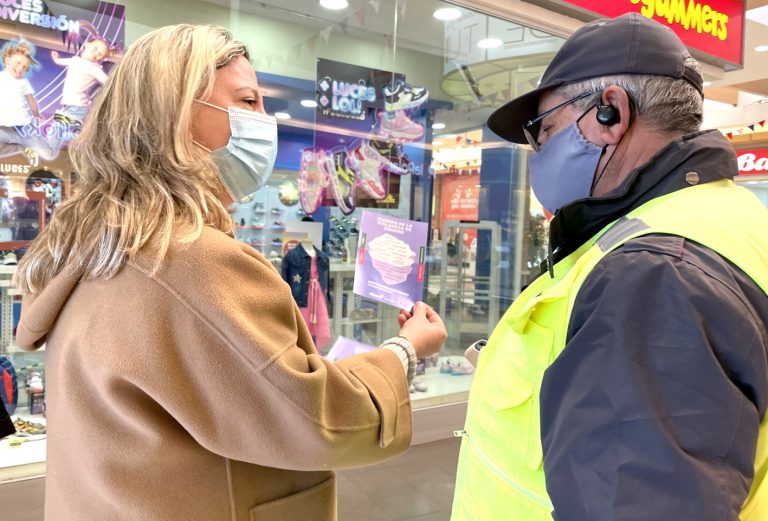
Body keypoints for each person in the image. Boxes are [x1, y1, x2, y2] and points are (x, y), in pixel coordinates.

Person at [13, 24, 447, 521]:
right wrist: (405, 350)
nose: (266, 120)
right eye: (247, 101)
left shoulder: (92, 246)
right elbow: (318, 419)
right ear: (175, 114)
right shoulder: (190, 260)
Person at [451, 13, 768, 521]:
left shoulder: (653, 276)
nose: (539, 153)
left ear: (610, 113)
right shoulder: (725, 217)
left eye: (544, 130)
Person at [47, 38, 110, 151]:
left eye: (101, 54)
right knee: (60, 129)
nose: (97, 54)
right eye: (95, 48)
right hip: (70, 107)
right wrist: (56, 59)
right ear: (87, 44)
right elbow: (62, 61)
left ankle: (50, 149)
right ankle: (85, 138)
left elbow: (108, 82)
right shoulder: (75, 60)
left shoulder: (93, 68)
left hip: (77, 107)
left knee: (57, 129)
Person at [0, 41, 56, 167]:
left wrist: (36, 114)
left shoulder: (23, 81)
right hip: (3, 128)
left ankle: (56, 130)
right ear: (8, 60)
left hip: (24, 128)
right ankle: (22, 148)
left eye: (25, 67)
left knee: (49, 155)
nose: (21, 68)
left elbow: (30, 99)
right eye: (18, 63)